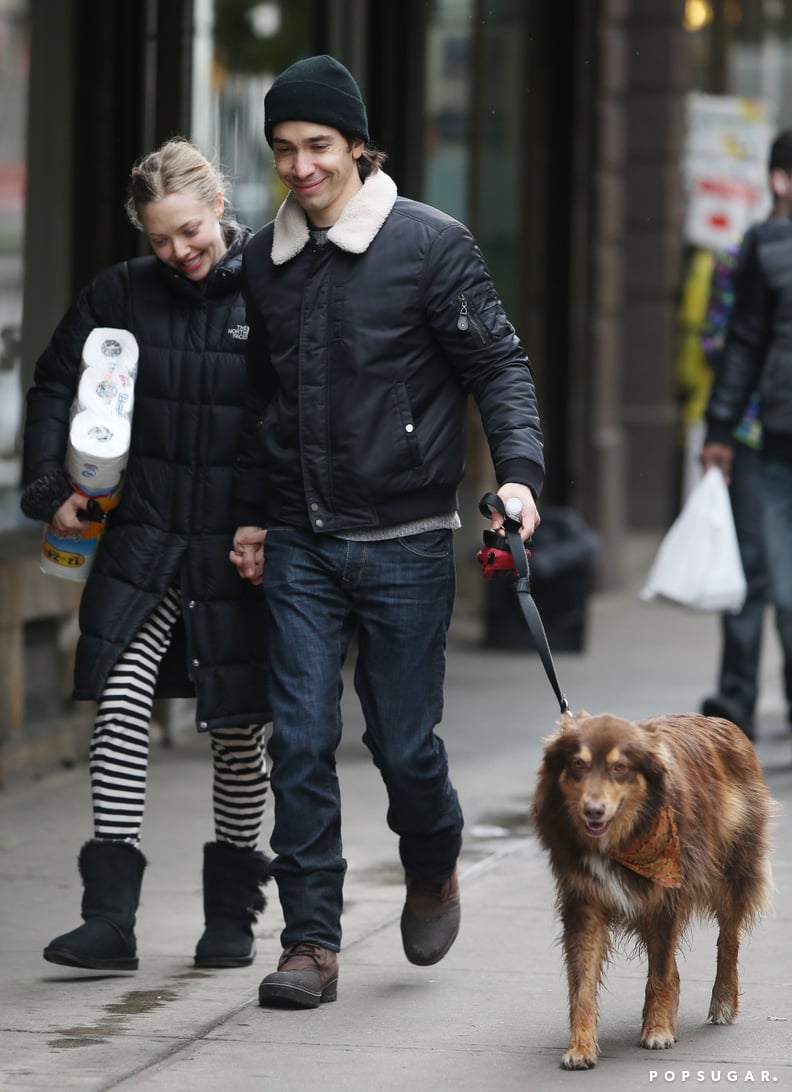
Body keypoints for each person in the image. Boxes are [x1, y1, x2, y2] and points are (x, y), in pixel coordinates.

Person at [230, 55, 545, 1009]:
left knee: (405, 748)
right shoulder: (261, 260)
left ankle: (433, 861)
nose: (300, 167)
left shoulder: (430, 245)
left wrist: (521, 478)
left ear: (359, 145)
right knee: (301, 740)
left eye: (318, 146)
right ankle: (311, 943)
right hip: (300, 540)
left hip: (407, 536)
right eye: (284, 149)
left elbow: (499, 367)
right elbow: (259, 401)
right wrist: (252, 512)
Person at [20, 138, 271, 973]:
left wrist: (277, 523)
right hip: (145, 540)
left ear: (219, 209)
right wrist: (50, 481)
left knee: (237, 728)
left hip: (237, 550)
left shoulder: (273, 286)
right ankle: (109, 920)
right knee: (122, 706)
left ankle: (232, 917)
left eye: (191, 232)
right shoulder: (118, 294)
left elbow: (303, 412)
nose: (179, 252)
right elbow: (56, 381)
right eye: (161, 238)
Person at [702, 128, 792, 733]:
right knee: (756, 577)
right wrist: (722, 429)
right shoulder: (755, 251)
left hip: (764, 433)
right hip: (765, 439)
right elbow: (733, 343)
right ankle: (736, 703)